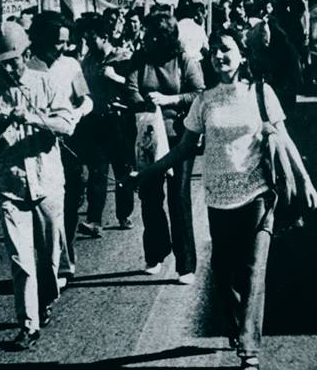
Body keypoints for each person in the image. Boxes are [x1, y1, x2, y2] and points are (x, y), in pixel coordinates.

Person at [130, 28, 317, 370]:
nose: (219, 56)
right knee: (223, 272)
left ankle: (249, 349)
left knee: (253, 272)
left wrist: (305, 181)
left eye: (226, 49)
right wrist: (147, 172)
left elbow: (285, 138)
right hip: (218, 199)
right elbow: (186, 147)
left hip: (258, 195)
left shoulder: (261, 93)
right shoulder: (205, 100)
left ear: (242, 55)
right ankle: (236, 327)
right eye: (214, 50)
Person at [0, 22, 76, 350]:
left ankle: (46, 298)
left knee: (47, 260)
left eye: (14, 61)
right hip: (10, 186)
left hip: (47, 183)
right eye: (2, 63)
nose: (8, 68)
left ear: (26, 55)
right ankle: (27, 325)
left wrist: (34, 118)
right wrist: (0, 123)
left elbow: (68, 125)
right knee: (20, 260)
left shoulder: (47, 83)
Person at [126, 12, 204, 283]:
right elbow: (131, 87)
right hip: (148, 137)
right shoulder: (140, 58)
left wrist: (169, 100)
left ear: (163, 37)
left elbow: (198, 93)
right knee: (149, 195)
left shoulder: (185, 60)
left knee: (178, 198)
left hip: (179, 138)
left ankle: (186, 265)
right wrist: (144, 103)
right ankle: (155, 253)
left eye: (150, 35)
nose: (145, 39)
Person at [26, 11, 92, 283]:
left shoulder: (71, 65)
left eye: (67, 42)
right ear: (41, 39)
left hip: (70, 140)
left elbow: (87, 99)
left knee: (71, 200)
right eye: (58, 42)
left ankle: (65, 259)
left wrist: (76, 115)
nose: (64, 48)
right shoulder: (27, 68)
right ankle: (52, 264)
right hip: (39, 146)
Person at [78, 15, 136, 234]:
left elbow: (135, 86)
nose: (89, 43)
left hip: (120, 122)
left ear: (104, 36)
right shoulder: (89, 61)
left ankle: (124, 213)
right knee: (97, 171)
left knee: (123, 169)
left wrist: (115, 77)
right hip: (96, 122)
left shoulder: (124, 57)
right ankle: (94, 220)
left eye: (92, 38)